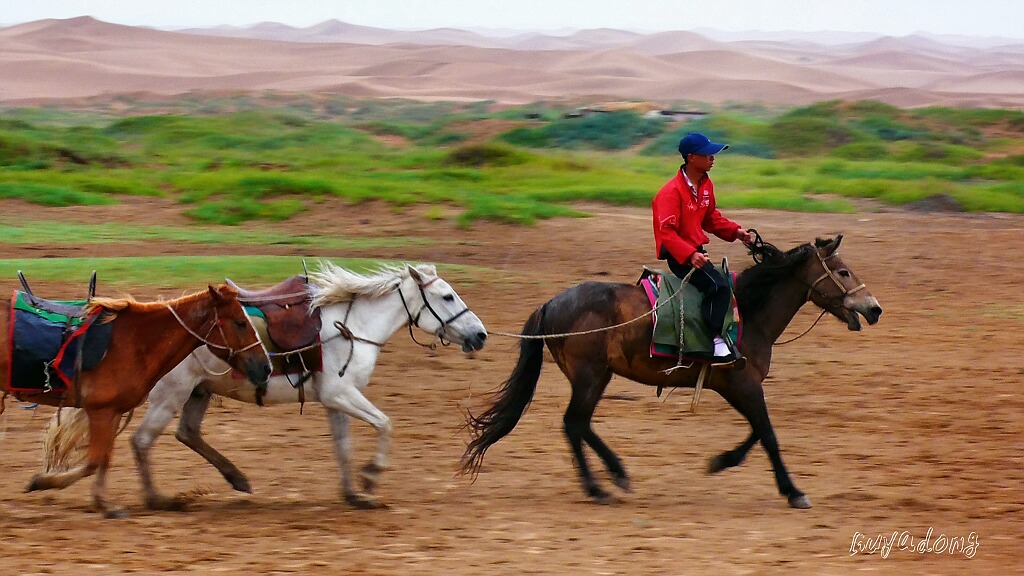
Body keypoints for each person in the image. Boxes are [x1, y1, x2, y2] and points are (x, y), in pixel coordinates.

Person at [652, 132, 754, 367]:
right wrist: (689, 254)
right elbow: (666, 233)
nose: (713, 158)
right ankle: (716, 342)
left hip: (696, 251)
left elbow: (710, 218)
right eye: (707, 154)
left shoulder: (705, 185)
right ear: (691, 158)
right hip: (680, 256)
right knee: (718, 287)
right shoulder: (670, 192)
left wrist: (736, 232)